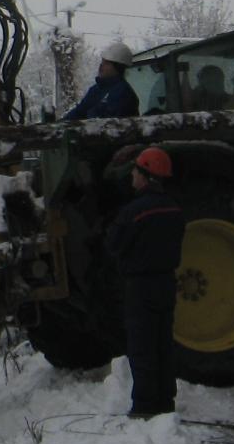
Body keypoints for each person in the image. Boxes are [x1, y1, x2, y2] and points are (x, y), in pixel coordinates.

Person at [106, 146, 185, 417]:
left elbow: (114, 244)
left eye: (135, 171)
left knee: (142, 347)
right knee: (163, 343)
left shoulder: (134, 212)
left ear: (146, 175)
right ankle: (165, 401)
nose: (132, 177)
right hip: (166, 283)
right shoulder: (174, 208)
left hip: (140, 286)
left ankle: (144, 406)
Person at [64, 42, 139, 120]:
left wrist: (92, 114)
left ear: (118, 68)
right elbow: (79, 112)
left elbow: (110, 123)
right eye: (102, 62)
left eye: (106, 63)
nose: (101, 66)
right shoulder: (95, 90)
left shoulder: (123, 93)